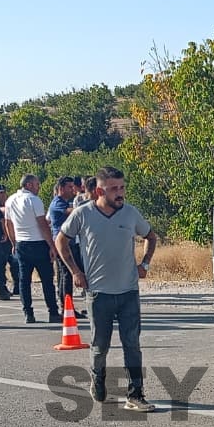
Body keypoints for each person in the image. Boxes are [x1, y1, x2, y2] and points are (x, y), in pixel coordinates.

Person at [56, 166, 160, 412]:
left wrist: (144, 263)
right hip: (99, 293)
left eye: (122, 187)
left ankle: (136, 395)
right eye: (114, 189)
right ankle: (97, 378)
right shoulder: (83, 215)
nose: (120, 193)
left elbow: (151, 236)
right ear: (99, 191)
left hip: (128, 292)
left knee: (132, 345)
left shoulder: (130, 214)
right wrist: (76, 272)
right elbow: (61, 240)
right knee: (100, 345)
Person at [4, 173, 60, 324]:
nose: (39, 187)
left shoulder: (10, 200)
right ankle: (53, 312)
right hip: (38, 243)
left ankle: (28, 313)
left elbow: (8, 224)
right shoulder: (33, 200)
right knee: (47, 279)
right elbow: (42, 224)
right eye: (37, 184)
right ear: (28, 185)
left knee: (24, 280)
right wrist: (51, 245)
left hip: (22, 243)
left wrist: (14, 242)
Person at [48, 177, 86, 317]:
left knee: (65, 275)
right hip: (64, 244)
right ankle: (66, 307)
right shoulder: (58, 203)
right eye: (69, 187)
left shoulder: (62, 202)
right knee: (67, 275)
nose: (72, 189)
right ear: (61, 188)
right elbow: (73, 212)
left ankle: (66, 305)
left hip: (68, 242)